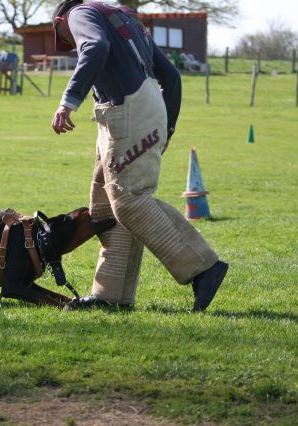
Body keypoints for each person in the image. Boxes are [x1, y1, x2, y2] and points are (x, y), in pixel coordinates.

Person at [50, 0, 229, 311]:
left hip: (127, 111)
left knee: (130, 199)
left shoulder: (79, 13)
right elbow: (171, 76)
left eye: (66, 39)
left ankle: (203, 267)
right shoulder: (125, 17)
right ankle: (111, 296)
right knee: (106, 207)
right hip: (135, 110)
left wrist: (68, 102)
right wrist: (166, 128)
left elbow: (95, 47)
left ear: (59, 21)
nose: (72, 44)